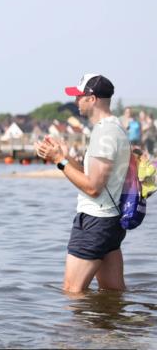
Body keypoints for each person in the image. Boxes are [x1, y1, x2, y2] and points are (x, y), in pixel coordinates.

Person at [35, 74, 130, 296]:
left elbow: (93, 187)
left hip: (96, 222)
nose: (76, 100)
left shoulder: (104, 134)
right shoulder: (113, 127)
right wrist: (65, 156)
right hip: (109, 221)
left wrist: (60, 161)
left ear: (92, 99)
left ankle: (81, 324)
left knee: (72, 292)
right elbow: (93, 176)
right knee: (112, 294)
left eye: (79, 96)